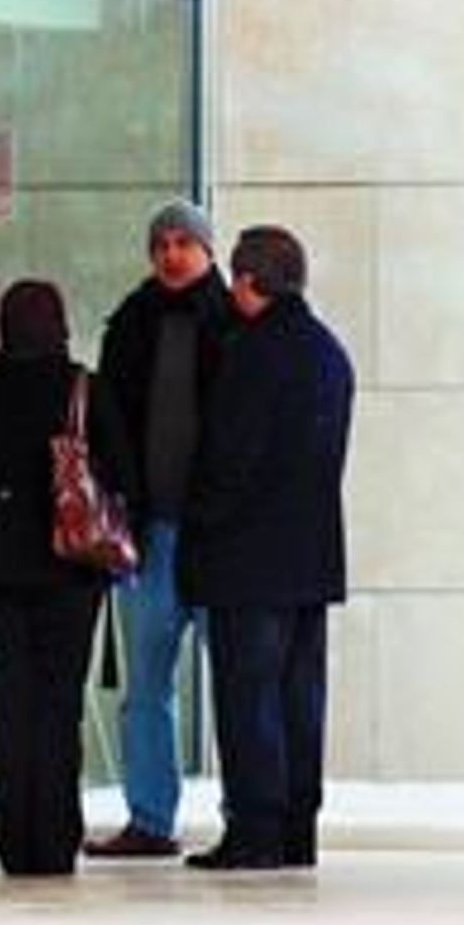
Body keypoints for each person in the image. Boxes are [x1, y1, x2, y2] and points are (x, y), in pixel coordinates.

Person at [0, 280, 136, 876]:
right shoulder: (85, 387)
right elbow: (124, 473)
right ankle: (54, 842)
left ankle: (13, 842)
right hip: (71, 573)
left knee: (7, 705)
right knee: (57, 707)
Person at [179, 225, 354, 871]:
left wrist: (198, 524)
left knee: (248, 698)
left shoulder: (253, 354)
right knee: (299, 700)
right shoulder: (329, 353)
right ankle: (295, 831)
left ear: (249, 281)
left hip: (248, 561)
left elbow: (231, 460)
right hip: (310, 560)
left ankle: (254, 831)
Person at [84, 199, 235, 859]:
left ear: (207, 250)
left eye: (184, 243)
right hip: (150, 535)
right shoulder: (132, 323)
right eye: (162, 244)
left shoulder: (233, 323)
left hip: (217, 536)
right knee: (146, 687)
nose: (172, 254)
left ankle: (247, 816)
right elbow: (107, 423)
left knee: (235, 683)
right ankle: (150, 818)